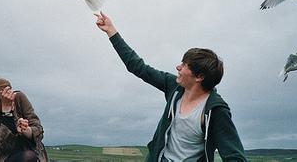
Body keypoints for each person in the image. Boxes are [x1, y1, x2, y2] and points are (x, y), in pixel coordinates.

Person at [95, 12, 247, 162]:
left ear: (199, 77)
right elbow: (138, 67)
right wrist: (111, 31)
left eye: (184, 65)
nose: (178, 67)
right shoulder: (174, 86)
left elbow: (235, 157)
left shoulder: (216, 110)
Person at [0, 78, 48, 162]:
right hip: (7, 158)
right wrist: (7, 114)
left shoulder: (18, 97)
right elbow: (3, 147)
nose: (10, 99)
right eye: (4, 99)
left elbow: (39, 132)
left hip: (36, 155)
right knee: (28, 156)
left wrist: (27, 131)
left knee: (31, 155)